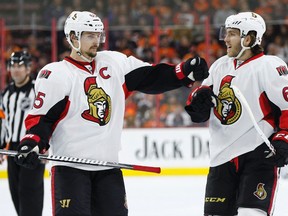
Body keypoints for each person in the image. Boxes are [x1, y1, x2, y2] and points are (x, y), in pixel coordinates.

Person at [13, 11, 209, 216]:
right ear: (72, 37)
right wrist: (32, 141)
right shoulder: (56, 73)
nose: (96, 41)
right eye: (90, 35)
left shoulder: (114, 63)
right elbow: (43, 119)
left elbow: (151, 76)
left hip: (108, 169)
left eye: (98, 35)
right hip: (70, 170)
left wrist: (182, 71)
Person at [185, 12, 288, 216]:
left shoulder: (270, 65)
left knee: (252, 214)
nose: (225, 38)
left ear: (248, 38)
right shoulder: (220, 66)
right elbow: (198, 106)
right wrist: (199, 101)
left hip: (258, 154)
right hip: (221, 158)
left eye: (231, 34)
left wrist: (284, 138)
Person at [0, 51, 45, 216]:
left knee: (30, 197)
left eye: (20, 66)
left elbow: (47, 120)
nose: (15, 69)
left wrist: (45, 147)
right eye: (13, 66)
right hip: (12, 149)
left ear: (28, 69)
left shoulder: (37, 90)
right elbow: (4, 122)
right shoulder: (6, 93)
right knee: (17, 195)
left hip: (32, 148)